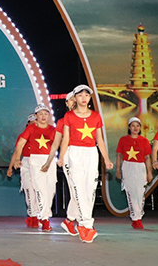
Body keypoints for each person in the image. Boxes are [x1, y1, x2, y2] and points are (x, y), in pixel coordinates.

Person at [42, 85, 114, 243]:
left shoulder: (96, 116)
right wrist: (61, 157)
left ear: (89, 98)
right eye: (79, 95)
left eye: (86, 95)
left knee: (89, 190)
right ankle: (86, 225)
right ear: (75, 98)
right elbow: (64, 139)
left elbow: (99, 139)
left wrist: (106, 158)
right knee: (79, 189)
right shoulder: (68, 117)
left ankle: (70, 221)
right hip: (74, 153)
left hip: (91, 153)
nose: (83, 97)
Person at [9, 104, 56, 232]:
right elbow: (20, 144)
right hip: (34, 160)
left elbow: (59, 143)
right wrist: (17, 159)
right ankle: (43, 218)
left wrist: (62, 157)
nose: (43, 116)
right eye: (40, 114)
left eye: (45, 114)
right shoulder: (30, 130)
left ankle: (43, 214)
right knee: (38, 189)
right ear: (36, 116)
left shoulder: (53, 130)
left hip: (50, 160)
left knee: (50, 189)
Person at [116, 117, 153, 230]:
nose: (135, 128)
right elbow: (119, 156)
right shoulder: (123, 140)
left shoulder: (144, 141)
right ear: (129, 127)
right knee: (130, 192)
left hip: (140, 167)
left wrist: (149, 172)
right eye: (133, 125)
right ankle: (135, 219)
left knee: (140, 193)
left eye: (137, 126)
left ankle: (139, 216)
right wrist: (118, 170)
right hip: (128, 166)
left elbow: (147, 158)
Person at [9, 113, 37, 228]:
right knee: (29, 189)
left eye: (37, 121)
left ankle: (42, 216)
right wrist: (11, 166)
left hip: (41, 162)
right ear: (28, 124)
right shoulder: (23, 135)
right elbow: (17, 151)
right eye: (32, 122)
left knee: (41, 190)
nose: (35, 124)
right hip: (27, 162)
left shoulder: (45, 133)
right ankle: (33, 216)